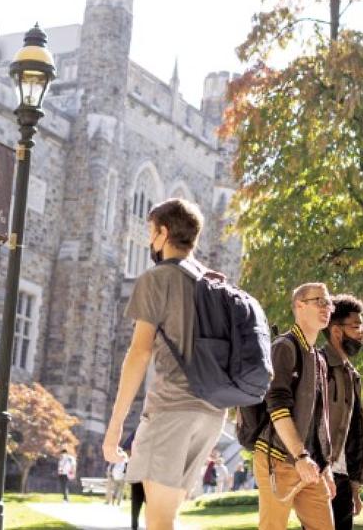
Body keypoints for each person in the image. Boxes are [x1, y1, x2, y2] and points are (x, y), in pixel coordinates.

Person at [102, 198, 227, 530]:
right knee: (168, 517)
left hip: (172, 409)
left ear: (164, 232)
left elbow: (139, 354)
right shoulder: (214, 282)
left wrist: (115, 428)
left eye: (150, 231)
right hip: (212, 414)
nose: (148, 240)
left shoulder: (157, 279)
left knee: (157, 521)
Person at [254, 282, 335, 530]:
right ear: (300, 306)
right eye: (319, 301)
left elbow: (319, 419)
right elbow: (276, 406)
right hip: (278, 457)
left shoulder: (319, 357)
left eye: (328, 302)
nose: (326, 307)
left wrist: (325, 467)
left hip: (310, 465)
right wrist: (299, 456)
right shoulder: (284, 347)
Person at [323, 294, 363, 529]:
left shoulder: (351, 374)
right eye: (356, 325)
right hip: (321, 475)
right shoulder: (318, 366)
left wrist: (354, 487)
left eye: (362, 325)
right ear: (336, 331)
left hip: (342, 478)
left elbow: (353, 432)